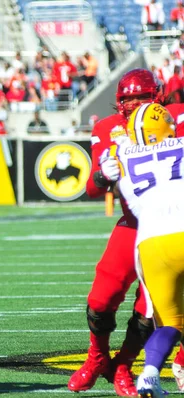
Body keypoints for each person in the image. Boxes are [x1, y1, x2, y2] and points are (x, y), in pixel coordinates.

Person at [68, 68, 160, 396]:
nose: (134, 104)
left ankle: (122, 366)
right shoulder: (107, 129)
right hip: (132, 223)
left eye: (142, 97)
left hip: (167, 227)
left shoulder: (175, 121)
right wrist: (103, 176)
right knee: (100, 298)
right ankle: (96, 359)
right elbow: (93, 188)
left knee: (150, 309)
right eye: (128, 99)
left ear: (157, 98)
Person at [107, 103, 180, 397]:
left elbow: (105, 172)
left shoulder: (119, 152)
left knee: (169, 323)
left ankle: (149, 376)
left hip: (150, 241)